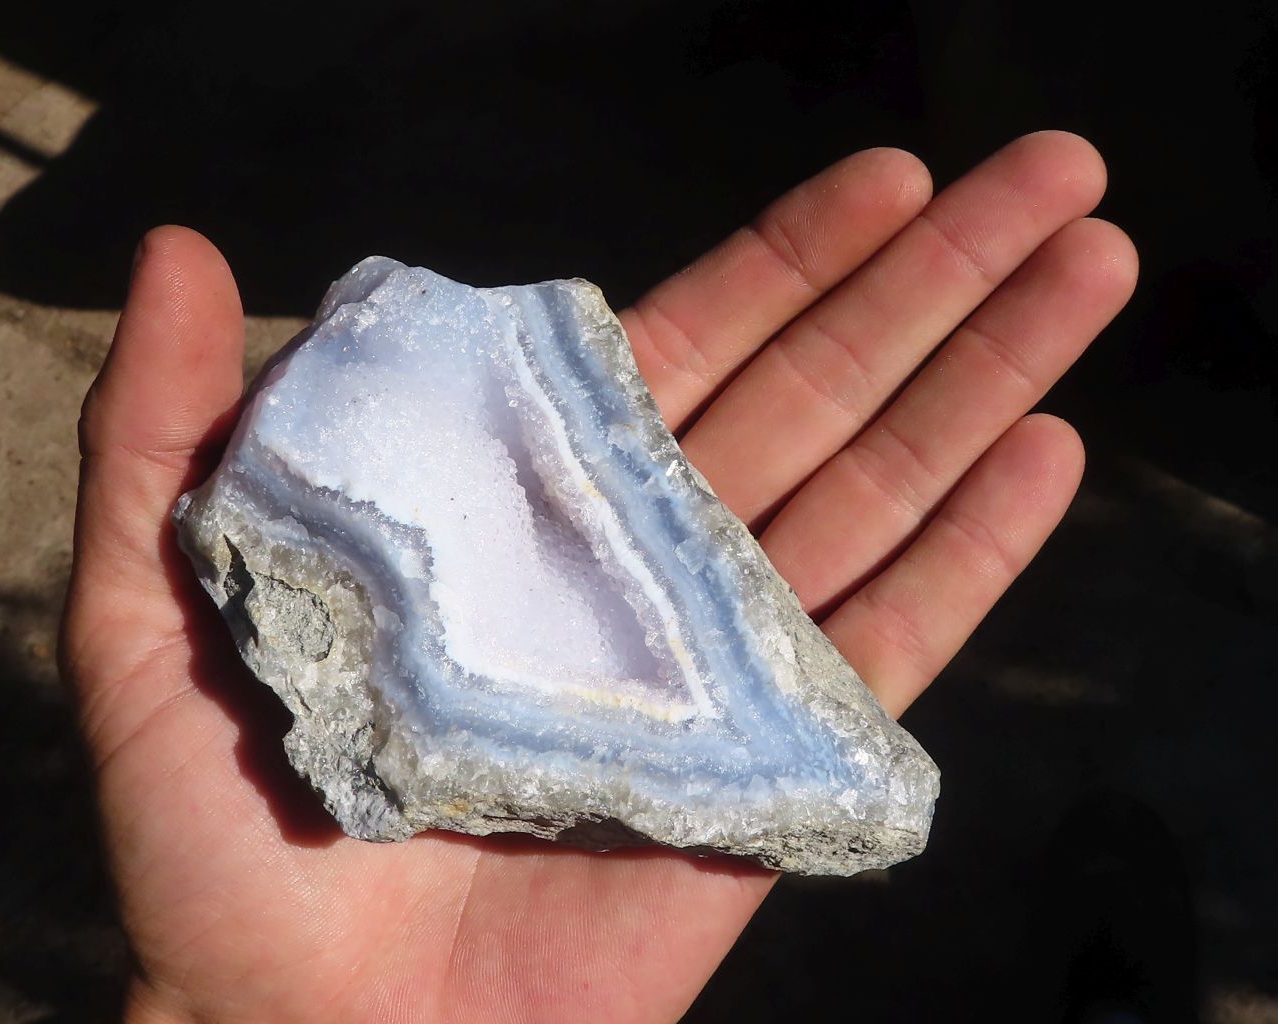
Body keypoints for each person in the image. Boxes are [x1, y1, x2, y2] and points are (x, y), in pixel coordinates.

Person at [60, 131, 1136, 1024]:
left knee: (830, 763)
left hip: (699, 698)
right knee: (831, 767)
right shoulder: (373, 425)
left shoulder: (430, 373)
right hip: (451, 559)